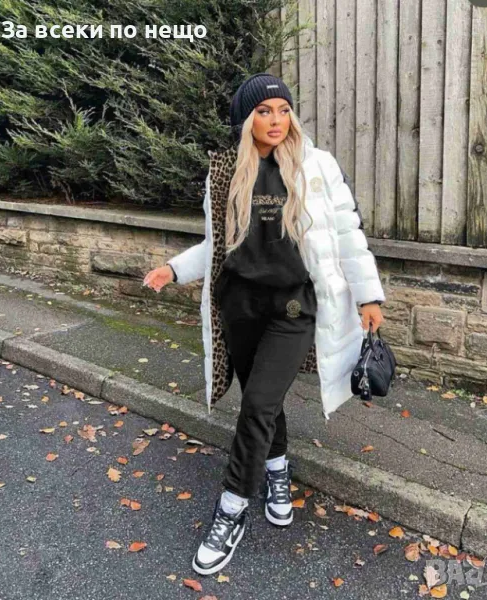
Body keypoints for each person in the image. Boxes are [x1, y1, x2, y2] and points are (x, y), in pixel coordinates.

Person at [143, 73, 386, 575]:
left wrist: (368, 294)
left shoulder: (317, 166)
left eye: (283, 110)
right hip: (240, 306)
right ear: (245, 120)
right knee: (261, 400)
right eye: (263, 111)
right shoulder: (226, 173)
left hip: (293, 308)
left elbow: (347, 233)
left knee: (256, 405)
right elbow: (216, 245)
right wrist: (174, 269)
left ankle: (231, 508)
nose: (276, 120)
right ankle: (277, 469)